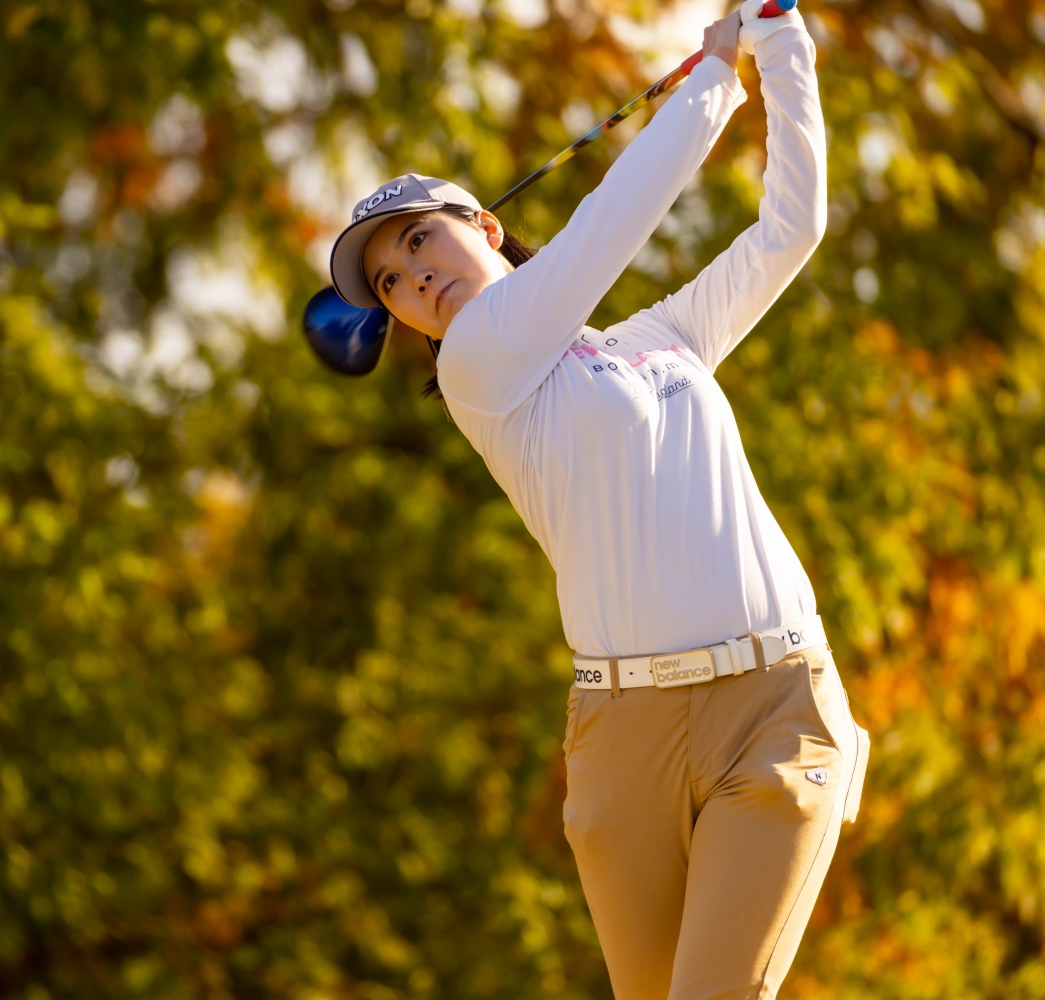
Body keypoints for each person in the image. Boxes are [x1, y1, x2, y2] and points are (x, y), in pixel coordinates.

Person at [325, 3, 871, 998]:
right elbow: (606, 231)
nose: (414, 278)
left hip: (774, 707)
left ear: (485, 227)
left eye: (420, 240)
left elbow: (792, 227)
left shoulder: (661, 342)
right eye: (391, 283)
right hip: (623, 737)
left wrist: (780, 44)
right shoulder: (476, 366)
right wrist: (714, 79)